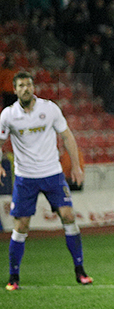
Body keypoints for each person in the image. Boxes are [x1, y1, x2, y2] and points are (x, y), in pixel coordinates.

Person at [0, 71, 92, 290]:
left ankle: (80, 271)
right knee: (21, 225)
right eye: (21, 85)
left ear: (34, 88)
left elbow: (67, 135)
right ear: (15, 90)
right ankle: (14, 277)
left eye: (29, 85)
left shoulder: (49, 109)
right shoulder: (8, 115)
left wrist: (76, 166)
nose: (25, 89)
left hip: (52, 173)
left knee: (68, 216)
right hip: (25, 177)